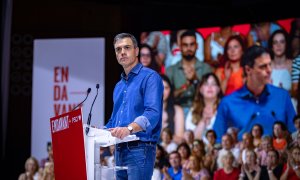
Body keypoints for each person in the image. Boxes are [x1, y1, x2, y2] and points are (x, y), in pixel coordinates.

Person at [104, 33, 164, 180]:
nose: (122, 52)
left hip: (140, 148)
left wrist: (129, 129)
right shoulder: (118, 86)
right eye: (118, 49)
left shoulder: (150, 77)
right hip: (119, 150)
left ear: (136, 51)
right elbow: (114, 121)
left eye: (126, 48)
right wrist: (97, 131)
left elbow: (152, 113)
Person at [213, 45, 296, 142]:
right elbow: (217, 142)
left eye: (270, 64)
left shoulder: (282, 97)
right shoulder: (228, 103)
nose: (269, 70)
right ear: (248, 70)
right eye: (263, 67)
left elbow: (294, 135)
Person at [166, 30, 212, 117]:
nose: (189, 48)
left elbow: (210, 95)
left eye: (192, 44)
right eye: (185, 45)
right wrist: (185, 86)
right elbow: (168, 98)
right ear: (180, 47)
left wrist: (195, 80)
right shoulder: (171, 70)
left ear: (197, 46)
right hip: (178, 112)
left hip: (201, 111)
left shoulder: (206, 68)